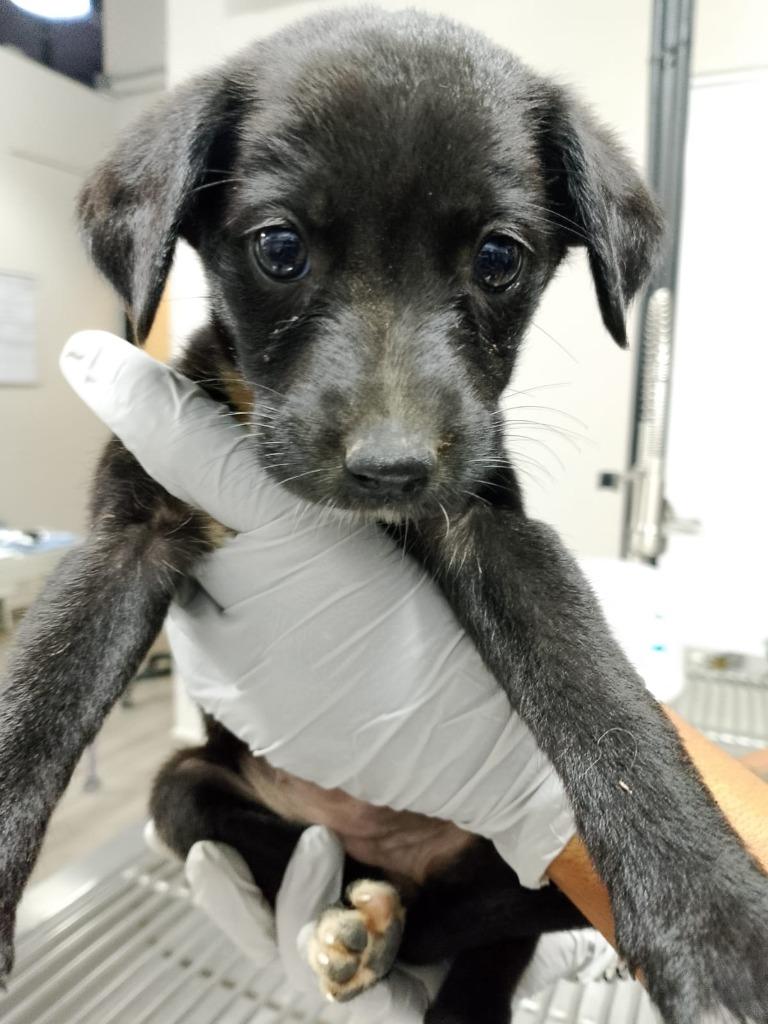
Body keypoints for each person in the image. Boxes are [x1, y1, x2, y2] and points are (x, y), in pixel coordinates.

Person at [61, 331, 768, 1021]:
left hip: (465, 837)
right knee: (184, 796)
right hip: (303, 811)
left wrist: (538, 793)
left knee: (486, 961)